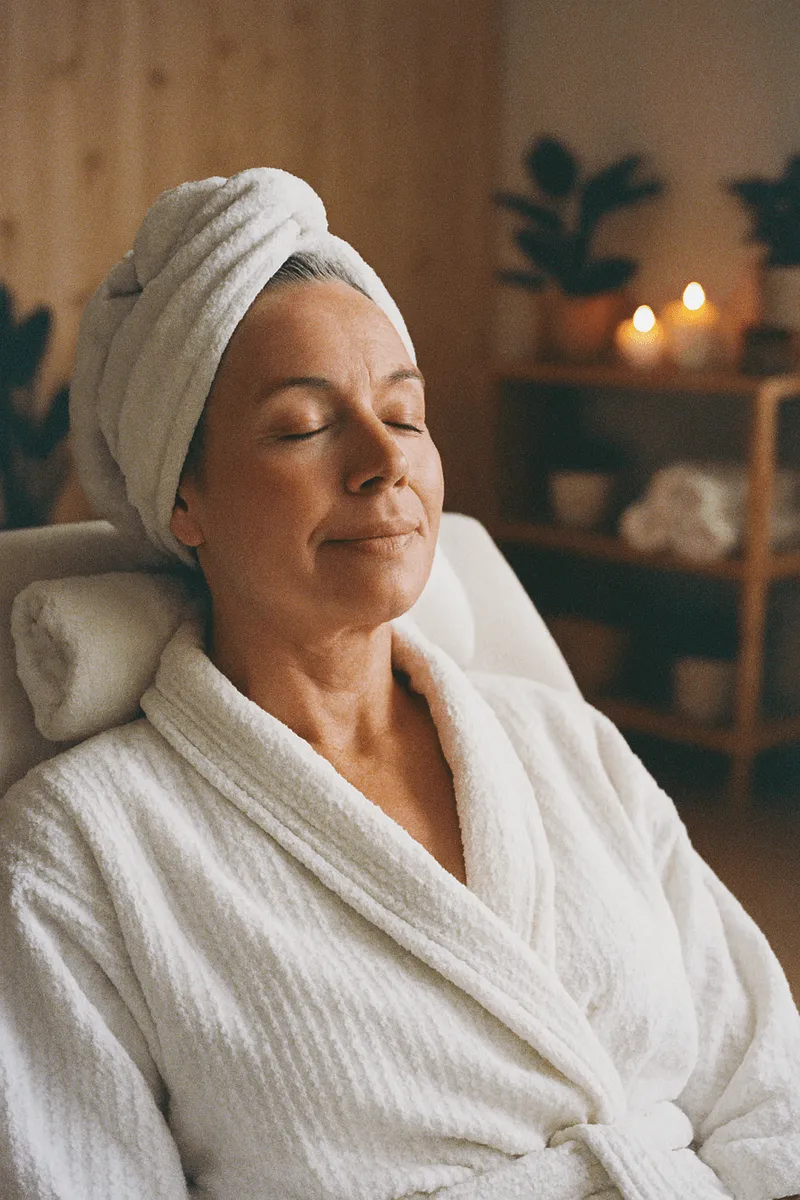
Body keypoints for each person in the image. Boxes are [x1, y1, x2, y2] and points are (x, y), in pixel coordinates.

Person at [0, 168, 799, 1200]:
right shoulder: (78, 848)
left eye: (405, 414)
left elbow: (765, 1090)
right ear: (182, 495)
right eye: (300, 425)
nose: (383, 462)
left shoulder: (562, 741)